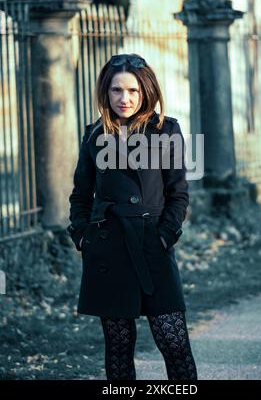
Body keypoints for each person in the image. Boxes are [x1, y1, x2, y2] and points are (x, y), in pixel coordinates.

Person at [67, 53, 198, 380]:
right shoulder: (94, 135)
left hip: (152, 244)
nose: (124, 99)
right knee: (118, 346)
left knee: (173, 341)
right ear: (105, 93)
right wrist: (82, 235)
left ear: (146, 91)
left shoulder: (166, 130)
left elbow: (178, 193)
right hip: (108, 249)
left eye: (133, 91)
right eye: (116, 91)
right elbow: (80, 193)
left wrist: (165, 236)